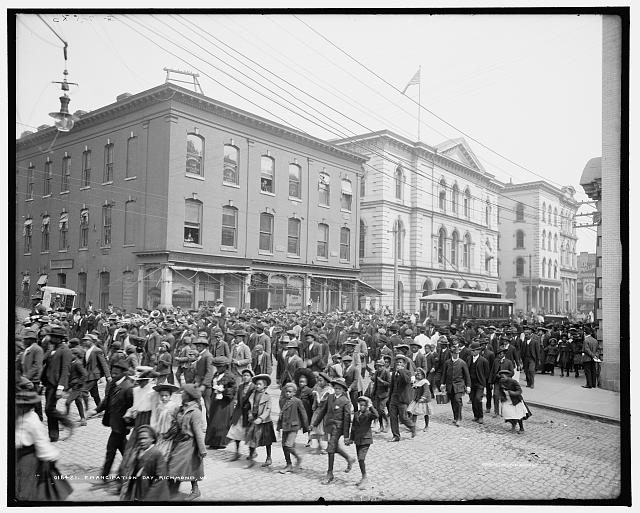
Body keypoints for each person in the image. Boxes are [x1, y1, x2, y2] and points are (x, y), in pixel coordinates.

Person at [15, 386, 72, 501]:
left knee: (27, 490)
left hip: (28, 459)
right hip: (16, 457)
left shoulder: (32, 419)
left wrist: (50, 456)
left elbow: (41, 442)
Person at [87, 360, 134, 488]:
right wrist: (95, 410)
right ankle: (131, 473)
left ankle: (105, 478)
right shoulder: (114, 383)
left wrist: (128, 425)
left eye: (116, 373)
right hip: (114, 424)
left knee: (111, 451)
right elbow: (107, 400)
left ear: (124, 373)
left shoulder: (128, 387)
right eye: (112, 372)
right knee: (125, 452)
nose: (113, 375)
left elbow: (132, 408)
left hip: (121, 427)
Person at [310, 377, 355, 485]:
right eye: (335, 388)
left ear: (343, 390)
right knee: (334, 447)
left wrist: (346, 436)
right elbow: (322, 411)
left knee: (330, 449)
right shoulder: (330, 397)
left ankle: (329, 474)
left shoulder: (345, 401)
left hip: (338, 428)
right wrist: (314, 424)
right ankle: (349, 458)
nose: (337, 390)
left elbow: (347, 419)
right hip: (328, 426)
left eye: (339, 388)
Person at [166, 384, 207, 501]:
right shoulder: (180, 408)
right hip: (178, 441)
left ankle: (195, 490)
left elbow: (198, 432)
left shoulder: (195, 412)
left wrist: (202, 450)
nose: (181, 394)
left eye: (183, 393)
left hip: (189, 443)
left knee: (184, 465)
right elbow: (174, 424)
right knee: (180, 465)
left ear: (189, 396)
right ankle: (172, 488)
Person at [118, 425, 170, 502]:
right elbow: (130, 469)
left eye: (145, 438)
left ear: (152, 439)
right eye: (140, 439)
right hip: (138, 487)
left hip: (150, 491)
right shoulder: (137, 452)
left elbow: (161, 478)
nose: (142, 441)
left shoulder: (156, 454)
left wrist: (150, 496)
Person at [41, 326, 73, 442]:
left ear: (60, 339)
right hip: (48, 384)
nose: (51, 338)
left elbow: (65, 370)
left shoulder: (65, 351)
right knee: (49, 409)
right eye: (52, 336)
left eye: (54, 337)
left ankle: (67, 422)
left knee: (49, 409)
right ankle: (53, 435)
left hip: (55, 385)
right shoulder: (52, 349)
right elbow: (44, 363)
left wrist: (60, 388)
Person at [346, 395, 378, 489]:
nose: (362, 407)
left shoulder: (369, 414)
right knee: (360, 460)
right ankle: (363, 477)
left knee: (361, 458)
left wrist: (371, 405)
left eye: (364, 405)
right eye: (360, 405)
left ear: (367, 406)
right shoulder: (356, 414)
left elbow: (376, 415)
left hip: (366, 440)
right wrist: (351, 439)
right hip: (358, 440)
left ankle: (365, 478)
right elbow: (354, 428)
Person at [276, 382, 309, 474]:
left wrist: (306, 427)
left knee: (288, 445)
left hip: (294, 426)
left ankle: (298, 458)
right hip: (285, 426)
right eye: (286, 392)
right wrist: (279, 426)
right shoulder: (283, 401)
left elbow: (303, 414)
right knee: (284, 446)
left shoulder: (297, 401)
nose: (287, 393)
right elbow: (281, 414)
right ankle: (289, 464)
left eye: (290, 392)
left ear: (294, 392)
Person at [205, 356, 237, 449]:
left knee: (221, 421)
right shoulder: (216, 375)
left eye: (219, 367)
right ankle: (213, 441)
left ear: (225, 366)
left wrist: (224, 391)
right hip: (215, 400)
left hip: (225, 402)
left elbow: (234, 389)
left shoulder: (230, 376)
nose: (217, 369)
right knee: (213, 419)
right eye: (216, 367)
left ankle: (221, 442)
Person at [247, 374, 277, 468]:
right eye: (256, 384)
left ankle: (268, 458)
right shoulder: (252, 395)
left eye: (260, 384)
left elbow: (268, 409)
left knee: (267, 441)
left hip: (264, 422)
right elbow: (249, 406)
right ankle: (251, 457)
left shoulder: (267, 397)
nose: (257, 386)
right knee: (251, 439)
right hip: (254, 420)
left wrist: (261, 418)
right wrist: (250, 414)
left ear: (265, 386)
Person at [227, 369, 256, 461]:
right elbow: (238, 399)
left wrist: (250, 410)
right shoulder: (240, 387)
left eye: (247, 375)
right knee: (236, 432)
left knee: (249, 434)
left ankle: (252, 453)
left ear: (251, 377)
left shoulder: (253, 387)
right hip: (239, 413)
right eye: (244, 375)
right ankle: (237, 452)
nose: (245, 377)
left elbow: (254, 400)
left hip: (249, 413)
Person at [387, 354, 416, 441]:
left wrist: (401, 371)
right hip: (394, 398)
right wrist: (390, 397)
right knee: (393, 417)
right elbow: (392, 386)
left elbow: (407, 380)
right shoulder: (393, 374)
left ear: (403, 364)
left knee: (403, 418)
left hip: (402, 399)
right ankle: (396, 436)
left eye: (400, 363)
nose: (398, 364)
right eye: (397, 363)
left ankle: (412, 426)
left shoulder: (407, 372)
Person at [441, 345, 471, 427]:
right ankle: (455, 417)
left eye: (457, 353)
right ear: (451, 353)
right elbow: (444, 374)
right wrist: (442, 384)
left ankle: (459, 418)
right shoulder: (447, 363)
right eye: (454, 353)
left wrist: (468, 386)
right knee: (453, 401)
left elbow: (467, 375)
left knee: (458, 400)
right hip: (450, 385)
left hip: (459, 385)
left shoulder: (462, 363)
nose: (456, 355)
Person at [150, 383, 181, 459]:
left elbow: (177, 420)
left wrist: (173, 430)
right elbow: (157, 420)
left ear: (170, 396)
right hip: (161, 433)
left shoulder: (174, 406)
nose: (164, 398)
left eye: (166, 396)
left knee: (167, 452)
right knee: (159, 451)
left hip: (169, 432)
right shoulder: (159, 406)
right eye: (162, 396)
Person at [82, 333, 111, 411]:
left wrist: (108, 376)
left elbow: (103, 363)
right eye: (84, 341)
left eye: (86, 340)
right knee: (95, 394)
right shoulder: (87, 351)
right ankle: (100, 408)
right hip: (88, 375)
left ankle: (86, 410)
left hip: (94, 375)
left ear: (91, 341)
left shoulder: (97, 350)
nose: (84, 342)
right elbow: (84, 364)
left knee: (84, 391)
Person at [20, 329, 44, 420]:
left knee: (36, 401)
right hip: (27, 380)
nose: (24, 340)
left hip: (33, 380)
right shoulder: (28, 349)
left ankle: (39, 419)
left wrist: (26, 377)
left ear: (31, 339)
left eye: (26, 339)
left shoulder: (37, 349)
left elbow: (37, 365)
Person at [466, 341, 490, 425]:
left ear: (478, 351)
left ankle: (480, 416)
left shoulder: (484, 361)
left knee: (478, 399)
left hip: (480, 383)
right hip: (471, 383)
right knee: (472, 399)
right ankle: (475, 415)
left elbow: (487, 373)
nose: (472, 352)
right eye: (471, 350)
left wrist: (484, 383)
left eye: (474, 350)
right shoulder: (469, 359)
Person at [309, 372, 333, 454]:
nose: (319, 382)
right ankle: (317, 445)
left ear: (326, 381)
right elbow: (315, 401)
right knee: (315, 428)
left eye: (321, 381)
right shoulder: (318, 388)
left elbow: (325, 402)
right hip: (317, 411)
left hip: (325, 413)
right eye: (318, 381)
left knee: (323, 430)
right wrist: (314, 405)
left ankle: (325, 447)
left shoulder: (329, 390)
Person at [65, 347, 88, 426]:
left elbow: (84, 374)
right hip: (74, 386)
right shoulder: (73, 362)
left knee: (67, 402)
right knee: (78, 402)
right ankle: (83, 419)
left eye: (71, 354)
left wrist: (78, 383)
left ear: (76, 355)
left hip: (77, 387)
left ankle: (66, 420)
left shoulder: (77, 363)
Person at [193, 337, 214, 420]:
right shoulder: (200, 355)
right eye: (197, 346)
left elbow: (209, 372)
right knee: (196, 404)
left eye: (200, 346)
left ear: (205, 346)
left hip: (206, 386)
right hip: (199, 384)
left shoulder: (208, 356)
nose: (198, 347)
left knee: (208, 406)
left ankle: (210, 427)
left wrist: (204, 385)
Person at [294, 368, 315, 447]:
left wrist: (313, 409)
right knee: (296, 425)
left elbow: (312, 401)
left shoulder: (309, 391)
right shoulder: (298, 390)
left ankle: (310, 440)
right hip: (299, 411)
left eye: (302, 382)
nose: (300, 383)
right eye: (299, 382)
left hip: (307, 411)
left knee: (308, 425)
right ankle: (292, 439)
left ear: (306, 383)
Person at [406, 367, 431, 431]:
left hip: (424, 400)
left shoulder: (425, 382)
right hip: (417, 399)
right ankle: (413, 425)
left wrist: (423, 397)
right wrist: (412, 384)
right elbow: (414, 388)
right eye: (417, 374)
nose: (417, 375)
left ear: (423, 375)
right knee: (414, 412)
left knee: (426, 413)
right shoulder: (417, 382)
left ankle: (427, 425)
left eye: (419, 374)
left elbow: (426, 391)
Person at [370, 358, 390, 433]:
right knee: (378, 411)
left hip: (384, 394)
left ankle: (387, 423)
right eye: (377, 366)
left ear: (383, 366)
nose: (379, 368)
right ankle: (381, 426)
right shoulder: (377, 372)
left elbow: (389, 383)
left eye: (380, 366)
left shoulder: (386, 372)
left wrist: (381, 381)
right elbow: (374, 381)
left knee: (381, 409)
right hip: (377, 393)